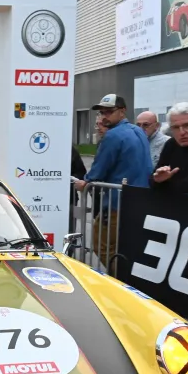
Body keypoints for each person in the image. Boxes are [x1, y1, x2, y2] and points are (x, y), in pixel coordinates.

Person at [73, 94, 152, 268]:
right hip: (140, 200)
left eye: (109, 112)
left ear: (122, 111)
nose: (104, 116)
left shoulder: (113, 136)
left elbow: (98, 170)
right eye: (102, 112)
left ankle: (120, 282)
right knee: (127, 247)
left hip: (117, 203)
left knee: (101, 245)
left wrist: (85, 183)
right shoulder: (138, 131)